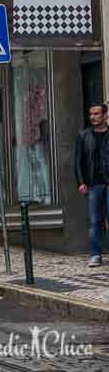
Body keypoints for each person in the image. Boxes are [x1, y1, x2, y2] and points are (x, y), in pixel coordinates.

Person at [76, 102, 109, 267]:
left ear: (105, 115)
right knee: (94, 221)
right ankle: (95, 255)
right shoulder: (84, 135)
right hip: (93, 184)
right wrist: (81, 182)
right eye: (91, 114)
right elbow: (78, 161)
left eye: (96, 114)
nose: (93, 117)